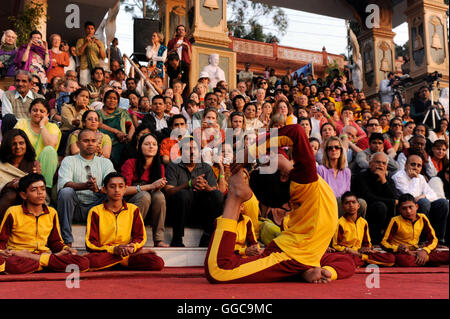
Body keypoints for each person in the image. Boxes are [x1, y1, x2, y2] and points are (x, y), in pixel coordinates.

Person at [205, 124, 356, 284]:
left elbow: (347, 264)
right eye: (266, 162)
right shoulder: (303, 180)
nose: (269, 156)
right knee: (220, 270)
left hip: (307, 255)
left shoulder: (300, 183)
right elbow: (296, 132)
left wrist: (326, 272)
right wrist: (248, 154)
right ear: (283, 175)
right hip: (290, 255)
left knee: (348, 261)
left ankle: (303, 271)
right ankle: (235, 197)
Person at [0, 173, 89, 274]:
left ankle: (39, 264)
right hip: (19, 256)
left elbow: (55, 242)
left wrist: (66, 249)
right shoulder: (13, 212)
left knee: (83, 262)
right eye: (34, 190)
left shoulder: (52, 212)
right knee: (10, 264)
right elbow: (1, 240)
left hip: (41, 255)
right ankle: (46, 265)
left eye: (43, 189)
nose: (40, 193)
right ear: (23, 195)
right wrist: (3, 252)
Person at [84, 172, 165, 272]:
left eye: (120, 186)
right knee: (90, 262)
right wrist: (114, 249)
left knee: (157, 262)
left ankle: (114, 263)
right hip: (106, 253)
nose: (117, 190)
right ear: (104, 189)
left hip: (127, 253)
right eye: (112, 186)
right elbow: (90, 243)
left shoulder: (133, 209)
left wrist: (132, 247)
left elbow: (140, 237)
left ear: (125, 189)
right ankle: (120, 262)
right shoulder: (95, 211)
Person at [57, 129, 115, 245]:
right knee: (66, 192)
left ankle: (108, 239)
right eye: (86, 141)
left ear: (97, 143)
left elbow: (112, 185)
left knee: (114, 194)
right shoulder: (69, 160)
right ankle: (66, 240)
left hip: (97, 206)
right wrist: (86, 186)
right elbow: (65, 184)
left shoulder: (105, 163)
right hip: (75, 207)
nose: (90, 143)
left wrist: (97, 189)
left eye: (93, 141)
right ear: (78, 144)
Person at [164, 136, 224, 247]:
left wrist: (206, 187)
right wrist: (190, 184)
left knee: (217, 195)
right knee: (183, 194)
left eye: (195, 149)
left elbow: (215, 191)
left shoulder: (206, 168)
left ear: (199, 152)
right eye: (188, 149)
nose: (192, 152)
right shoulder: (173, 166)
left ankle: (207, 236)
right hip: (178, 212)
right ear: (181, 152)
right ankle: (177, 239)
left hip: (200, 213)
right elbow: (168, 191)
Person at [121, 133, 168, 247]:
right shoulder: (130, 163)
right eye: (147, 144)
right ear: (139, 146)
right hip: (130, 201)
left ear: (158, 148)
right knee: (144, 195)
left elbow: (155, 191)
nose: (151, 147)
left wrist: (159, 186)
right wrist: (150, 186)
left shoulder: (159, 166)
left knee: (159, 196)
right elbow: (124, 190)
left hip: (149, 204)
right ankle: (134, 237)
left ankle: (158, 239)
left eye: (154, 144)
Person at [392, 154, 449, 244]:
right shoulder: (398, 176)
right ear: (405, 165)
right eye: (413, 164)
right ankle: (422, 239)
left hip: (421, 205)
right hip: (405, 208)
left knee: (444, 203)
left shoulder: (421, 177)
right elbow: (410, 197)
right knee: (423, 202)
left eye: (419, 165)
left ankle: (439, 239)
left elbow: (433, 195)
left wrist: (422, 196)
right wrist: (414, 179)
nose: (416, 167)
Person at [381, 194, 449, 266]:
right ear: (399, 210)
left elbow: (433, 239)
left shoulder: (422, 218)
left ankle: (422, 259)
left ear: (416, 207)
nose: (408, 211)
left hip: (417, 251)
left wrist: (424, 251)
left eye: (411, 207)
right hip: (403, 253)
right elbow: (384, 243)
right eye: (404, 208)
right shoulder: (395, 221)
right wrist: (398, 248)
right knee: (402, 260)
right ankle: (426, 260)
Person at [331, 191, 395, 267]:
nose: (351, 205)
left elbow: (366, 243)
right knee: (348, 259)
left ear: (358, 205)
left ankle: (363, 259)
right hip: (348, 253)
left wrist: (367, 249)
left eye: (353, 202)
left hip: (361, 253)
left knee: (391, 258)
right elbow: (335, 246)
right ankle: (365, 260)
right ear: (343, 207)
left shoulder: (363, 222)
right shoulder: (339, 223)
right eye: (347, 203)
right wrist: (353, 251)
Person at [351, 152, 400, 244]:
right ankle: (374, 241)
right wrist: (391, 202)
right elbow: (367, 197)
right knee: (380, 206)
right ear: (370, 163)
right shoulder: (361, 176)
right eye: (377, 162)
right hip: (365, 211)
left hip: (385, 213)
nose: (380, 165)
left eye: (383, 163)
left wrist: (383, 181)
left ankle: (391, 239)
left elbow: (394, 197)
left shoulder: (389, 179)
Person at [14, 98, 60, 190]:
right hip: (24, 162)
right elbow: (13, 142)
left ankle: (45, 190)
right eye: (34, 110)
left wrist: (42, 125)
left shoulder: (52, 127)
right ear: (30, 112)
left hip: (44, 165)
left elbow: (50, 144)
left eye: (42, 111)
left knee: (49, 150)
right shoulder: (22, 123)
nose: (37, 113)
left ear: (47, 114)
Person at [0, 129, 40, 221]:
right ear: (8, 145)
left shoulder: (33, 165)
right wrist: (9, 184)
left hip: (26, 199)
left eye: (21, 143)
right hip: (4, 198)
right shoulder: (1, 163)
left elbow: (37, 185)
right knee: (11, 194)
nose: (18, 147)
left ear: (26, 145)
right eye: (14, 144)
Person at [97, 90, 135, 167]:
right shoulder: (98, 113)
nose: (112, 100)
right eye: (109, 98)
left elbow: (131, 126)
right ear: (104, 100)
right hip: (104, 142)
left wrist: (129, 137)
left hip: (122, 141)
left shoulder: (122, 112)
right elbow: (99, 124)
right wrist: (116, 132)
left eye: (115, 98)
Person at [76, 21, 106, 86]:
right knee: (84, 86)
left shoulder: (99, 42)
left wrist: (99, 46)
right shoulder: (81, 40)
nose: (90, 30)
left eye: (92, 29)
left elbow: (103, 57)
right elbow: (78, 53)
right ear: (85, 30)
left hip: (96, 68)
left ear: (94, 30)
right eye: (88, 28)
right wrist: (86, 42)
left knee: (95, 86)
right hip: (84, 67)